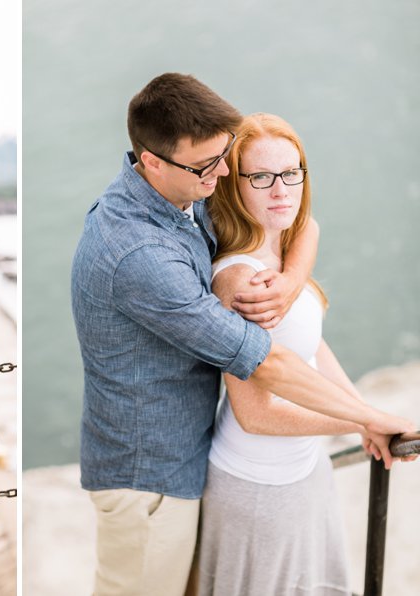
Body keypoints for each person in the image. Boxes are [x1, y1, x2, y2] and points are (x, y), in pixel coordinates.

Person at [69, 73, 414, 596]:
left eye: (224, 155)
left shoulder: (182, 188)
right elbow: (263, 365)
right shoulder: (144, 256)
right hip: (148, 475)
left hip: (184, 456)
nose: (225, 172)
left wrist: (293, 283)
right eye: (210, 164)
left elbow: (301, 222)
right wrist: (366, 417)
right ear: (152, 160)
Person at [198, 112, 415, 594]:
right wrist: (362, 421)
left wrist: (360, 408)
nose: (282, 191)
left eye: (292, 172)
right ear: (235, 186)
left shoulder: (285, 246)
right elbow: (256, 415)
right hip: (258, 485)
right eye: (261, 177)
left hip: (306, 468)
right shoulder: (241, 280)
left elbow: (310, 344)